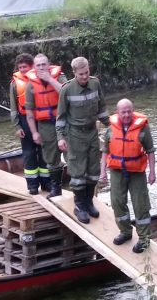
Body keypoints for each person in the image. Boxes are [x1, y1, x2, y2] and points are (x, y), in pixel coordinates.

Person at [56, 57, 110, 223]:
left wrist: (112, 125)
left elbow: (101, 109)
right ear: (74, 73)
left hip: (92, 133)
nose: (85, 76)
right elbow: (61, 117)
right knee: (78, 173)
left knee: (93, 171)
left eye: (87, 72)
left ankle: (88, 202)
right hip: (75, 135)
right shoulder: (67, 89)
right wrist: (60, 138)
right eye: (81, 74)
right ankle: (79, 206)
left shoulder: (95, 84)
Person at [99, 99, 157, 253]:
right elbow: (105, 151)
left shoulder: (143, 129)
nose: (126, 114)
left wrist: (152, 172)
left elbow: (150, 151)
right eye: (123, 112)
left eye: (129, 111)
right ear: (118, 113)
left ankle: (144, 239)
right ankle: (125, 232)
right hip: (117, 171)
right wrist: (103, 172)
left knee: (140, 204)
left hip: (136, 172)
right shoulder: (111, 129)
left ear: (133, 111)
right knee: (117, 202)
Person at [25, 53, 68, 198]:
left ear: (49, 65)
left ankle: (78, 191)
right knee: (51, 159)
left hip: (64, 122)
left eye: (44, 64)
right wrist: (34, 132)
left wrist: (49, 79)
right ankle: (56, 189)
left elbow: (67, 93)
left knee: (72, 155)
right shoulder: (30, 84)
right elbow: (29, 112)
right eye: (38, 65)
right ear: (34, 67)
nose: (42, 67)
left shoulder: (60, 77)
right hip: (45, 125)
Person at [9, 53, 48, 194]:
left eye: (25, 67)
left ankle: (46, 183)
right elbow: (13, 108)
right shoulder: (14, 83)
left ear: (32, 66)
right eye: (20, 67)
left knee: (44, 152)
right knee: (29, 153)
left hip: (41, 119)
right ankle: (32, 185)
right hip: (25, 120)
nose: (23, 70)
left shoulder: (41, 79)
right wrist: (17, 126)